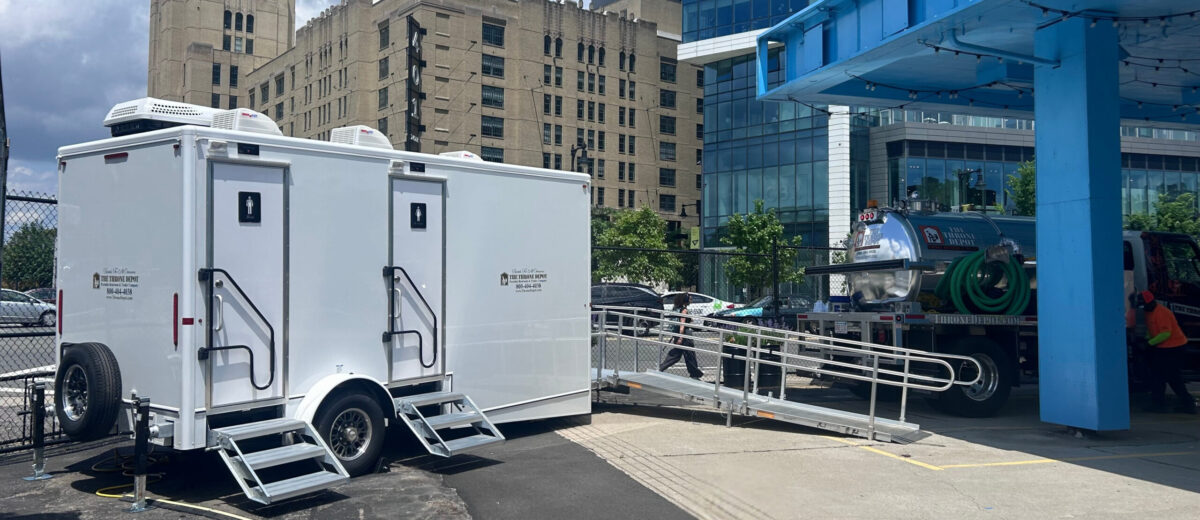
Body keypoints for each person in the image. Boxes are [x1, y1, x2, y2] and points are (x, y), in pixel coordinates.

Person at [1136, 291, 1197, 414]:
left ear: (1151, 302)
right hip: (1163, 347)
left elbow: (1166, 333)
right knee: (1159, 376)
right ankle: (1162, 403)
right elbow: (1152, 329)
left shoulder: (1162, 312)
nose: (1144, 308)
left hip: (1174, 347)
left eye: (1145, 305)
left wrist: (1149, 343)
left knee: (1171, 377)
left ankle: (1186, 403)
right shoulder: (1149, 311)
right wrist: (1147, 339)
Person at [659, 293, 704, 379]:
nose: (691, 301)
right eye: (690, 299)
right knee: (690, 355)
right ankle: (694, 374)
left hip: (678, 334)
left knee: (676, 354)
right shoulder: (684, 310)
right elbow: (682, 324)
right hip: (685, 336)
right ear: (685, 300)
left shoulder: (676, 309)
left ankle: (661, 367)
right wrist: (681, 336)